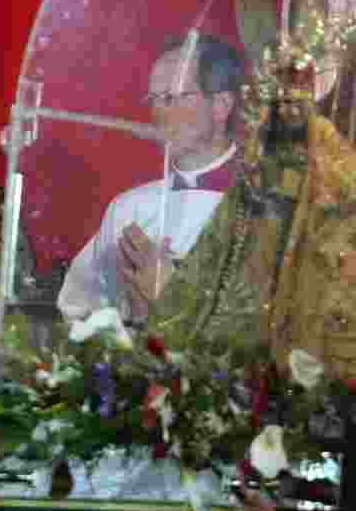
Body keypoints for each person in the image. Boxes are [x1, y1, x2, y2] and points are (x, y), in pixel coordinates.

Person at [57, 33, 246, 323]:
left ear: (221, 105)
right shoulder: (129, 208)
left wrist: (173, 295)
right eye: (155, 99)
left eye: (171, 98)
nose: (159, 114)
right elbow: (77, 308)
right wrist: (126, 302)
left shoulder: (259, 207)